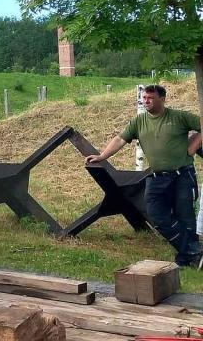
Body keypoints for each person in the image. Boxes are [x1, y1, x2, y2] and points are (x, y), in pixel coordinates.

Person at [86, 84, 203, 267]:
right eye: (144, 97)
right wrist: (102, 156)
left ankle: (188, 258)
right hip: (158, 177)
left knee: (185, 216)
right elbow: (119, 139)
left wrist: (193, 147)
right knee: (156, 215)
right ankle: (193, 251)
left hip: (183, 175)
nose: (145, 101)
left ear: (162, 99)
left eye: (150, 98)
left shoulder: (179, 117)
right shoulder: (138, 122)